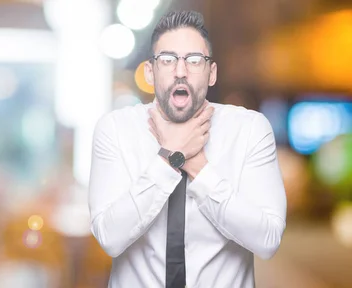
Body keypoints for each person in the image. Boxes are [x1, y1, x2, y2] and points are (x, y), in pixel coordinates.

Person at [88, 10, 287, 288]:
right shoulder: (116, 130)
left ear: (211, 73)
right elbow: (109, 237)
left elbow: (267, 240)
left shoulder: (250, 130)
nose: (180, 72)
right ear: (150, 71)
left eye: (194, 60)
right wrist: (168, 158)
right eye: (167, 60)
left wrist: (198, 167)